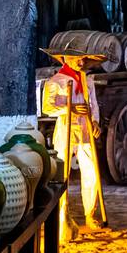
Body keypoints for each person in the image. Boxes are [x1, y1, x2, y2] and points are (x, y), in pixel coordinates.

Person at [40, 49, 107, 235]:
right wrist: (69, 108)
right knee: (62, 175)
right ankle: (62, 216)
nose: (80, 62)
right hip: (66, 130)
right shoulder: (56, 82)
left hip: (84, 131)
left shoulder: (87, 81)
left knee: (91, 172)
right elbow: (47, 108)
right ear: (65, 59)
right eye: (76, 58)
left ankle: (90, 214)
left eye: (82, 58)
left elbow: (92, 104)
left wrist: (94, 121)